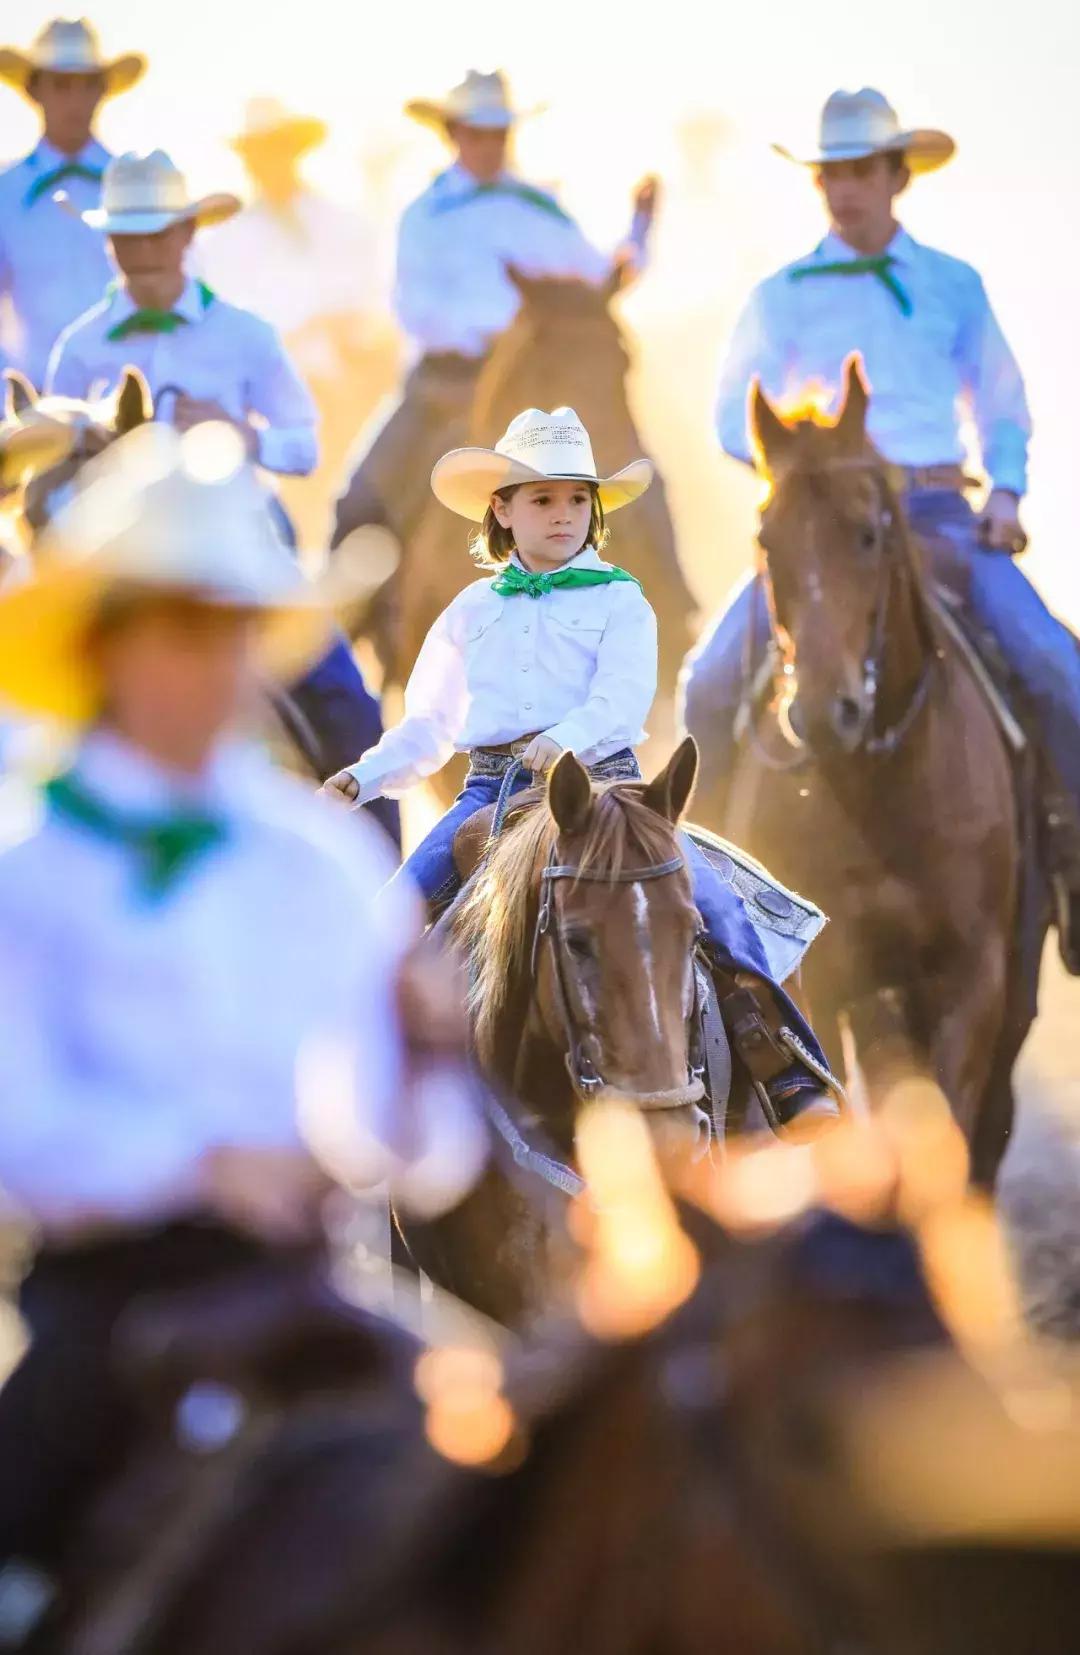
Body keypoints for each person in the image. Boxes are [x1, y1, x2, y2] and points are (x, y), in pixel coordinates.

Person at [0, 423, 484, 1607]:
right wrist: (205, 1166)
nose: (216, 664)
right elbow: (19, 1125)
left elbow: (423, 1164)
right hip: (108, 1303)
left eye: (232, 631)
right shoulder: (30, 862)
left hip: (313, 1287)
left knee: (525, 1486)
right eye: (182, 628)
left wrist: (429, 1064)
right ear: (107, 642)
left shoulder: (315, 857)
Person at [324, 405, 842, 1138]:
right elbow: (431, 723)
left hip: (606, 790)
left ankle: (790, 1075)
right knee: (386, 920)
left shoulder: (620, 598)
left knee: (715, 905)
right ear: (501, 509)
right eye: (542, 499)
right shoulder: (472, 609)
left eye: (576, 498)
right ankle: (369, 1106)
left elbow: (622, 696)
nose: (563, 514)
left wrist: (565, 739)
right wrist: (365, 777)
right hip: (491, 791)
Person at [681, 86, 1080, 969]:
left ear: (899, 174)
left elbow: (1003, 406)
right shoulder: (780, 295)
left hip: (937, 512)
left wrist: (1006, 493)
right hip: (825, 522)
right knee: (707, 684)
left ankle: (1074, 870)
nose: (845, 188)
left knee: (1058, 665)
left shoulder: (953, 283)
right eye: (831, 173)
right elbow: (725, 413)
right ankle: (697, 912)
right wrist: (802, 461)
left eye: (862, 170)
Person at [45, 147, 399, 838]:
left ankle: (389, 898)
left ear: (186, 234)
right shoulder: (79, 348)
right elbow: (56, 468)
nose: (143, 250)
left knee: (348, 704)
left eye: (157, 233)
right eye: (127, 236)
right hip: (125, 558)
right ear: (109, 242)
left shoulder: (247, 335)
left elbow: (304, 444)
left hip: (242, 538)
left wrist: (243, 433)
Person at [331, 68, 657, 551]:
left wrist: (639, 232)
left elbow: (597, 278)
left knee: (645, 483)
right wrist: (494, 330)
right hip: (447, 383)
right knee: (359, 502)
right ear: (453, 134)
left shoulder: (538, 207)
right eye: (478, 133)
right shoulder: (425, 215)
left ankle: (675, 604)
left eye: (498, 133)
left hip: (541, 385)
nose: (489, 144)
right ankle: (345, 616)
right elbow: (414, 306)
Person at [200, 97, 397, 550]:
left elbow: (370, 308)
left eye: (278, 148)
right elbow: (234, 333)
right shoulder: (226, 244)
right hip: (274, 401)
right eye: (260, 151)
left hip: (352, 388)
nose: (270, 162)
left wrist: (339, 334)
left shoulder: (342, 223)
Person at [0, 17, 146, 387]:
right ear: (36, 90)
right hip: (35, 410)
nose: (75, 99)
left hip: (134, 403)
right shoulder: (6, 192)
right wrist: (11, 395)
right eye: (61, 85)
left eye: (87, 85)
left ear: (102, 91)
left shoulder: (140, 186)